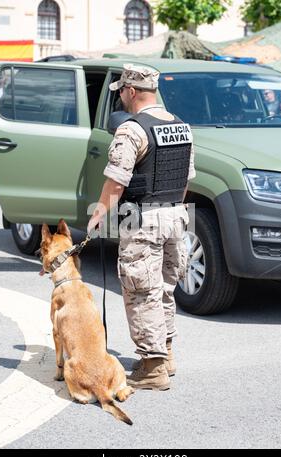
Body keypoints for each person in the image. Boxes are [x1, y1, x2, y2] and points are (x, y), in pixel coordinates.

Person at [87, 63, 196, 391]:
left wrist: (98, 217)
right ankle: (167, 354)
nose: (120, 96)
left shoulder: (132, 130)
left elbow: (116, 183)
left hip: (142, 217)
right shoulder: (181, 126)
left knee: (141, 292)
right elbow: (186, 179)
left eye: (121, 90)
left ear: (131, 91)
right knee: (164, 289)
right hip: (177, 214)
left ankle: (152, 368)